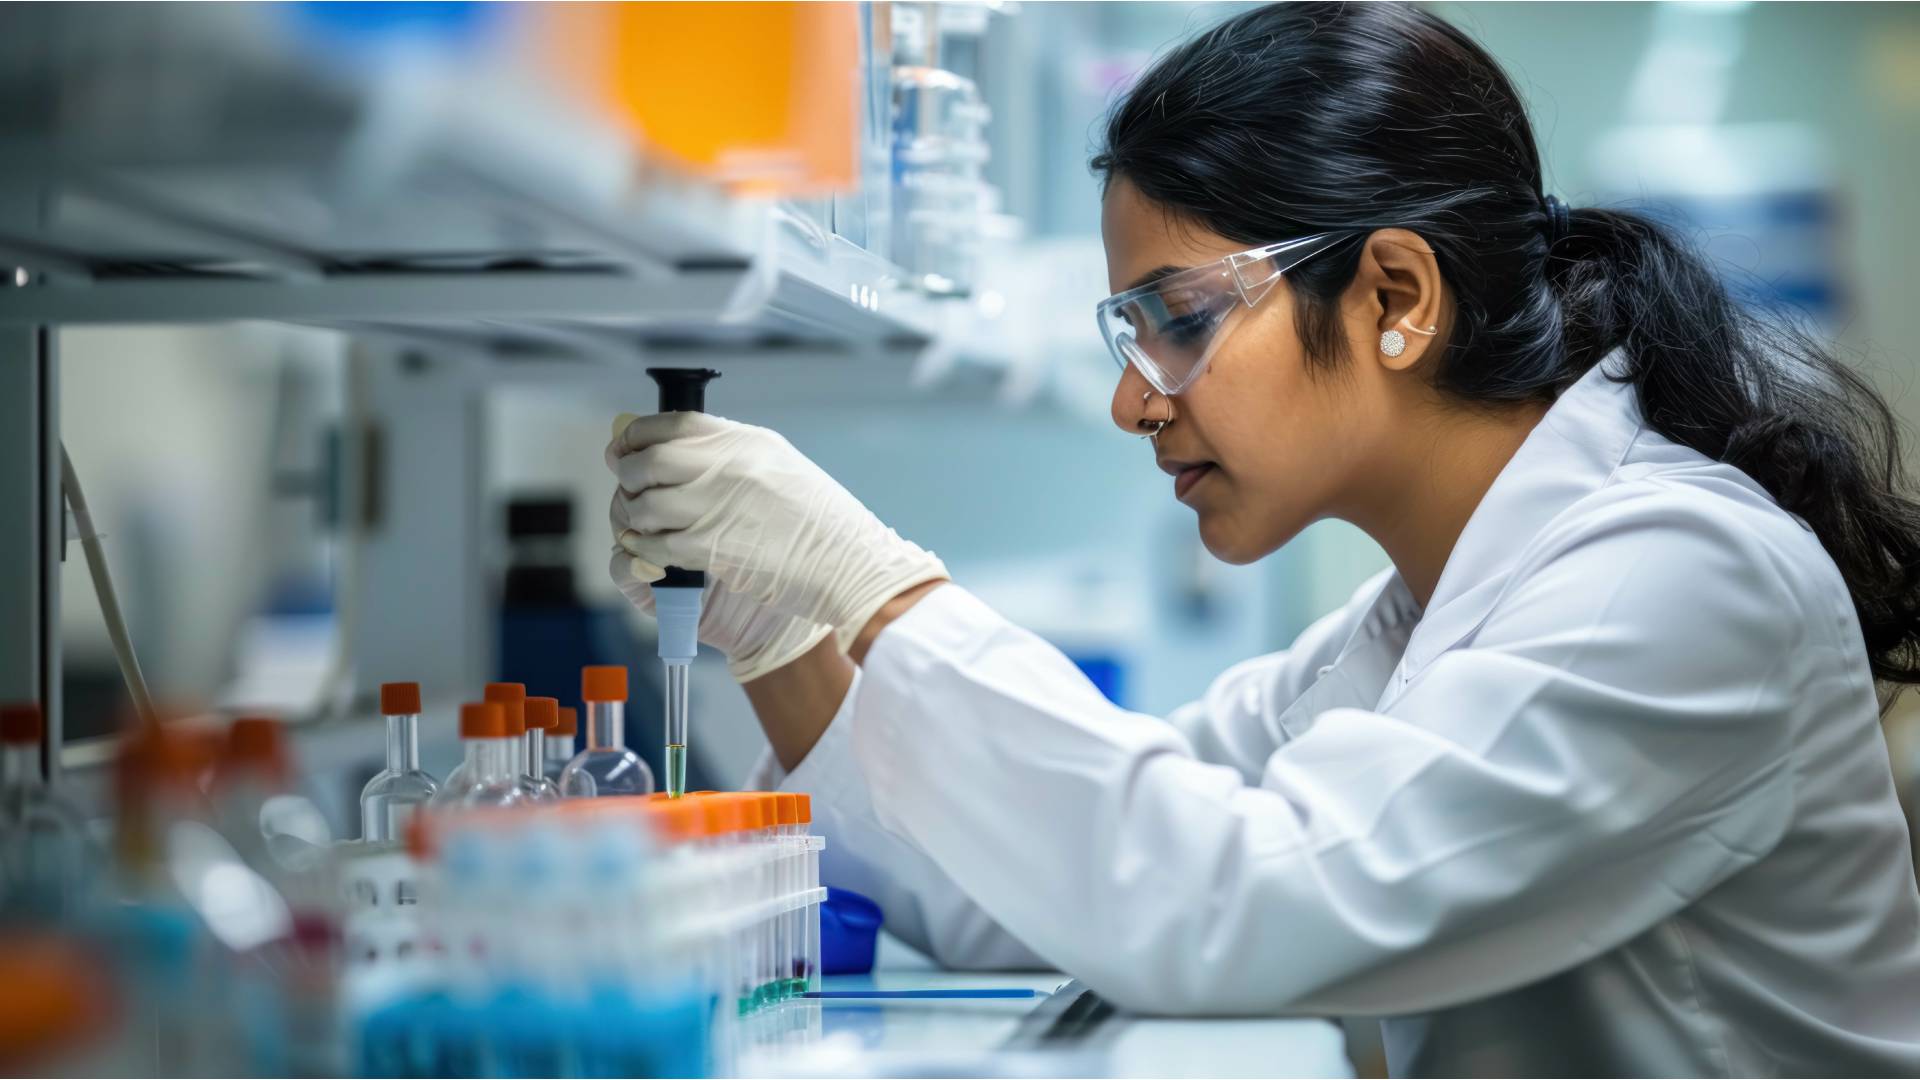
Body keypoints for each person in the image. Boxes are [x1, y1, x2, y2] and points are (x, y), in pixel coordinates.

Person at [606, 3, 1920, 1074]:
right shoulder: (1407, 626)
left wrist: (875, 587)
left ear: (1394, 294)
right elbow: (1016, 889)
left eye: (1176, 319)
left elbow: (1222, 905)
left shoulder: (1678, 579)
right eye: (1127, 337)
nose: (1136, 399)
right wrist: (781, 624)